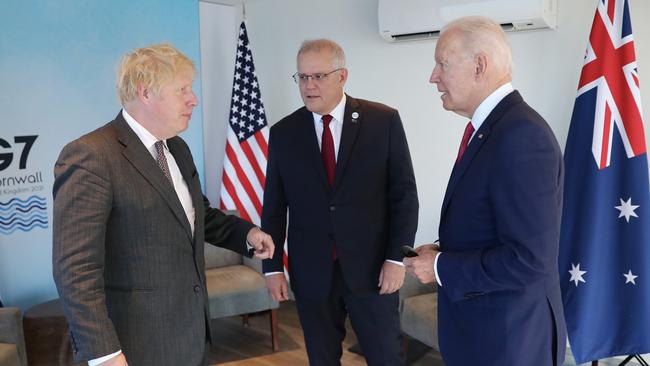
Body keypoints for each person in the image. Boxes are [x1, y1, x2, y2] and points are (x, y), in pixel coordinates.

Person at [52, 43, 275, 366]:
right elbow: (75, 270)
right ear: (145, 93)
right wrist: (104, 353)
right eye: (182, 89)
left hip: (192, 336)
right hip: (133, 347)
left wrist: (247, 234)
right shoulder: (91, 156)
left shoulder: (177, 149)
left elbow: (196, 215)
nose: (193, 99)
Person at [404, 16, 566, 366]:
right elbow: (494, 226)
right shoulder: (494, 129)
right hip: (487, 336)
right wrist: (442, 250)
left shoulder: (522, 136)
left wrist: (443, 267)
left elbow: (529, 259)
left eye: (442, 64)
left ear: (480, 65)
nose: (433, 77)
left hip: (509, 342)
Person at [262, 39, 418, 365]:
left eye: (318, 76)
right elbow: (274, 206)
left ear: (342, 76)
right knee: (322, 359)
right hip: (312, 272)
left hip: (373, 269)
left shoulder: (382, 121)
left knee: (386, 356)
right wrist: (272, 267)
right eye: (302, 77)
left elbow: (404, 196)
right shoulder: (283, 133)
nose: (309, 85)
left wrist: (395, 259)